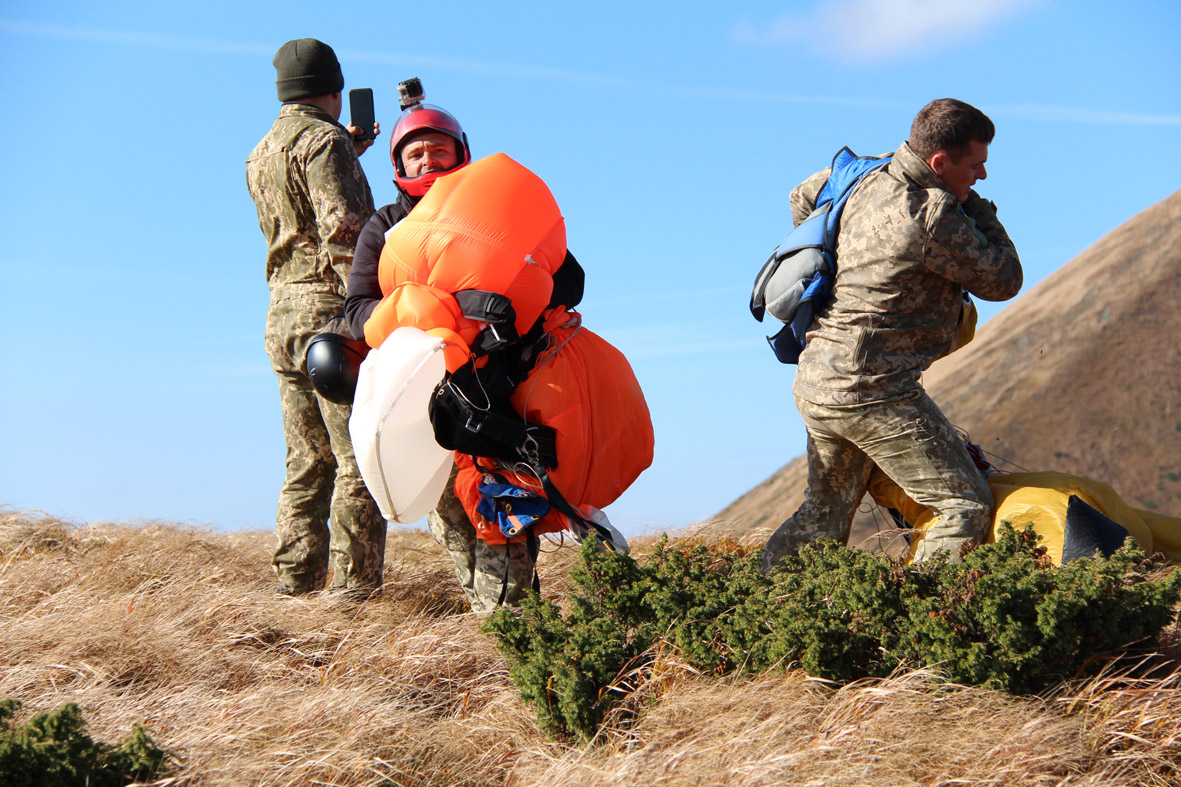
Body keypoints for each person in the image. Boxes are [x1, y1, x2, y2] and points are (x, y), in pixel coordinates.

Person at [345, 91, 590, 613]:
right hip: (426, 402)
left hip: (500, 392)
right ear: (398, 165)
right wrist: (415, 308)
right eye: (416, 154)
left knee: (502, 518)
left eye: (438, 150)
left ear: (461, 153)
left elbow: (569, 279)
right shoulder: (385, 225)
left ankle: (515, 639)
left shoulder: (502, 212)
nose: (428, 160)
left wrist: (506, 303)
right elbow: (356, 309)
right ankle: (497, 627)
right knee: (453, 521)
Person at [760, 98, 1023, 571]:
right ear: (940, 163)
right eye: (975, 166)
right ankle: (923, 620)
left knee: (826, 512)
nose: (980, 176)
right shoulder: (931, 213)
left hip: (819, 379)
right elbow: (1003, 279)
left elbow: (802, 195)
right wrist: (981, 210)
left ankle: (758, 605)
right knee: (962, 507)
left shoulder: (864, 175)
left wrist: (844, 259)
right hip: (874, 390)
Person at [246, 38, 387, 597]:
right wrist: (372, 315)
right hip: (330, 318)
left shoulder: (260, 151)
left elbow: (298, 218)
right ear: (334, 88)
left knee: (306, 460)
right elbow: (347, 238)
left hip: (281, 315)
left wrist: (347, 153)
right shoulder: (326, 143)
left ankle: (294, 587)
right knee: (358, 459)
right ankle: (353, 597)